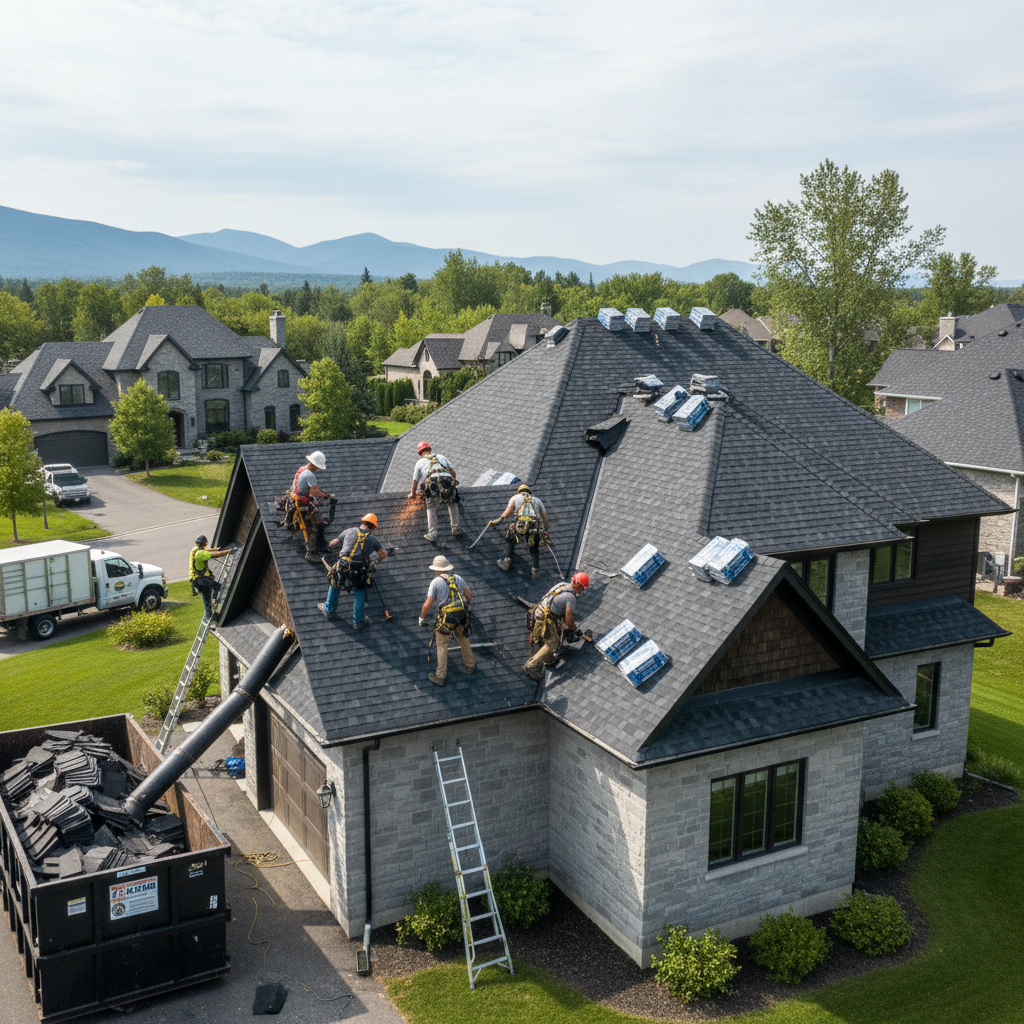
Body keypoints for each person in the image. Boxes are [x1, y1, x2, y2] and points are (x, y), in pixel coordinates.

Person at [318, 513, 387, 629]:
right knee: (359, 591)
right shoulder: (373, 539)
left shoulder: (349, 531)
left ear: (362, 523)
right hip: (359, 570)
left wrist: (327, 548)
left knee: (335, 583)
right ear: (374, 527)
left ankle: (329, 610)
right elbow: (383, 553)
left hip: (343, 565)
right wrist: (373, 561)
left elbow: (335, 542)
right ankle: (358, 620)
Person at [419, 554, 475, 686]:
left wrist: (421, 618)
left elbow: (428, 602)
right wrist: (465, 609)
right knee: (463, 639)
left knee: (442, 645)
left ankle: (440, 676)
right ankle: (470, 665)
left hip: (446, 619)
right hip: (461, 616)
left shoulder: (436, 582)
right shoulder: (458, 578)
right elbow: (469, 595)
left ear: (436, 570)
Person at [523, 572, 589, 681]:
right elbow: (569, 620)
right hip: (545, 619)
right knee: (552, 643)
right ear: (579, 585)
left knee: (557, 631)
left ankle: (549, 659)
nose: (581, 591)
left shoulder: (562, 585)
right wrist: (573, 629)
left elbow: (551, 601)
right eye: (582, 588)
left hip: (540, 612)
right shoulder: (570, 598)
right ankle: (531, 666)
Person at [409, 441, 464, 542]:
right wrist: (451, 486)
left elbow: (415, 480)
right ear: (430, 450)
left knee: (431, 507)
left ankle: (432, 533)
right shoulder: (441, 457)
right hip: (448, 480)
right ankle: (456, 527)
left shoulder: (420, 462)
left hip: (433, 483)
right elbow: (452, 472)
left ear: (420, 453)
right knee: (452, 503)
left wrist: (413, 494)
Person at [492, 483, 549, 580]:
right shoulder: (537, 500)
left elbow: (507, 512)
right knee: (533, 548)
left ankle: (506, 561)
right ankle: (536, 570)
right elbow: (545, 518)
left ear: (520, 492)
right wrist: (545, 531)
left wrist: (497, 521)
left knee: (510, 539)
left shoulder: (516, 497)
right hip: (534, 527)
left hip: (520, 524)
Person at [291, 451, 332, 562]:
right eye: (318, 467)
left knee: (319, 520)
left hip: (297, 497)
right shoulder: (309, 474)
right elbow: (314, 492)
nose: (318, 469)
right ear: (314, 465)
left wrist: (322, 494)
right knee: (312, 528)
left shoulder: (302, 468)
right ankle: (311, 552)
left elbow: (313, 490)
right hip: (302, 503)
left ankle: (321, 543)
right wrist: (326, 495)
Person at [188, 535, 232, 616]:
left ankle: (209, 616)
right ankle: (216, 597)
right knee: (219, 587)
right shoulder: (200, 553)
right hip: (200, 579)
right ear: (204, 544)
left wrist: (214, 549)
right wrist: (230, 551)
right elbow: (217, 555)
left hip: (194, 579)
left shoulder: (194, 549)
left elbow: (207, 549)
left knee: (206, 597)